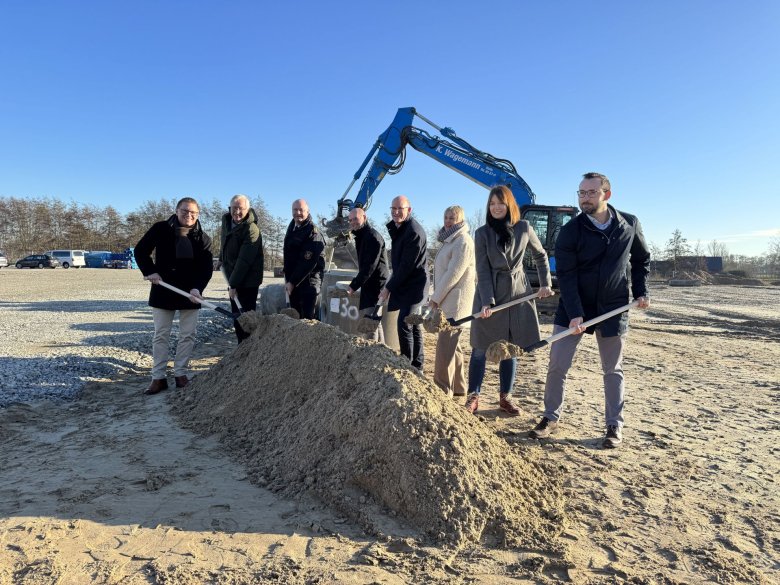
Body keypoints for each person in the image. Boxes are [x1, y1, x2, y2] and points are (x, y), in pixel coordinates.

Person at [528, 172, 650, 448]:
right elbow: (567, 275)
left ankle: (613, 426)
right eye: (581, 193)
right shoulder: (571, 230)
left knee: (613, 369)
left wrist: (641, 291)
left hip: (613, 306)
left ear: (607, 194)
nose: (584, 197)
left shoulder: (629, 224)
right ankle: (550, 417)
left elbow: (642, 260)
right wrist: (574, 312)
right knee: (557, 364)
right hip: (575, 305)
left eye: (590, 192)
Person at [466, 185, 553, 415]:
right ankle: (473, 396)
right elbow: (483, 270)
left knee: (509, 349)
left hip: (517, 294)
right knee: (479, 349)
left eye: (500, 203)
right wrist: (487, 302)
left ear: (509, 205)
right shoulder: (482, 233)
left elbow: (541, 255)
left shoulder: (524, 228)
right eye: (492, 203)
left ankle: (506, 397)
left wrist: (545, 283)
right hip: (489, 294)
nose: (496, 207)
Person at [135, 197, 213, 395]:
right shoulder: (161, 229)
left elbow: (206, 268)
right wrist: (149, 271)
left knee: (187, 335)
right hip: (163, 288)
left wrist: (197, 288)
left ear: (198, 215)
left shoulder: (203, 238)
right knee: (161, 334)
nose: (189, 215)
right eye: (185, 211)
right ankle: (158, 377)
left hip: (190, 294)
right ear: (177, 211)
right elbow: (141, 251)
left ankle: (180, 373)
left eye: (193, 213)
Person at [428, 205, 476, 398]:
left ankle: (441, 391)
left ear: (460, 220)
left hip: (455, 303)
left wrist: (435, 299)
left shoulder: (462, 241)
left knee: (444, 349)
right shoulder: (449, 241)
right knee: (453, 347)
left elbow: (452, 275)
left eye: (452, 218)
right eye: (446, 217)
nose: (448, 221)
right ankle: (459, 387)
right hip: (448, 300)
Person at [378, 195, 427, 370]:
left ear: (409, 210)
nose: (396, 212)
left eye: (400, 208)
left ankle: (407, 364)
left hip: (414, 287)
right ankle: (417, 364)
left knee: (405, 323)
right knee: (412, 324)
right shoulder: (402, 229)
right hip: (408, 285)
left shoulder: (413, 231)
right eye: (393, 209)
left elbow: (406, 266)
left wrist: (388, 288)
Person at [220, 194, 264, 342]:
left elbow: (244, 261)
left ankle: (248, 350)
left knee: (246, 319)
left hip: (247, 282)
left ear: (248, 210)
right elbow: (224, 243)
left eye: (241, 208)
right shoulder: (227, 222)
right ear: (229, 208)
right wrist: (221, 259)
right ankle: (241, 348)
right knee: (237, 318)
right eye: (234, 208)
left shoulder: (251, 229)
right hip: (233, 278)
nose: (237, 212)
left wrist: (233, 285)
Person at [346, 207, 389, 342]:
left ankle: (372, 356)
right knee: (375, 322)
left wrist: (353, 285)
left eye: (356, 219)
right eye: (350, 220)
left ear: (364, 217)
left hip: (376, 285)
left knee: (369, 323)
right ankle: (382, 351)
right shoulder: (361, 235)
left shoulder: (372, 237)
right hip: (370, 283)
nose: (353, 222)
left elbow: (369, 267)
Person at [283, 198, 325, 320]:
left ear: (308, 211)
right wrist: (287, 270)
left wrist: (292, 282)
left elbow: (307, 262)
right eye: (295, 210)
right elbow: (291, 253)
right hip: (294, 281)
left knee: (307, 320)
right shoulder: (292, 227)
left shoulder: (313, 232)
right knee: (295, 317)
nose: (298, 213)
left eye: (301, 210)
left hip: (309, 283)